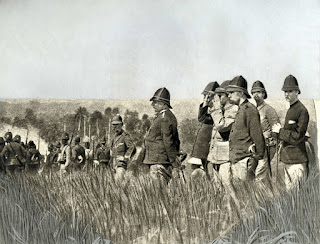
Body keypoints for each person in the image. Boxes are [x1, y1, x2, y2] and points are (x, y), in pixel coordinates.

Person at [272, 75, 309, 190]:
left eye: (290, 91)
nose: (286, 94)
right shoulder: (291, 109)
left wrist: (280, 131)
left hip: (297, 161)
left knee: (297, 196)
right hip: (288, 160)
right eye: (285, 91)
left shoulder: (302, 110)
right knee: (290, 196)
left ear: (297, 92)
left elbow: (298, 137)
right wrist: (278, 132)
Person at [226, 76, 265, 182]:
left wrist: (257, 159)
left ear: (241, 92)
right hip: (238, 161)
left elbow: (257, 137)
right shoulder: (242, 109)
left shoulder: (249, 109)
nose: (228, 95)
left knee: (246, 195)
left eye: (232, 92)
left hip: (245, 161)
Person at [143, 87, 180, 184]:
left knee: (158, 193)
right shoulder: (163, 116)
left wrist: (173, 162)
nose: (152, 105)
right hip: (158, 161)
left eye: (155, 102)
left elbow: (168, 141)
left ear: (163, 104)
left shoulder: (164, 118)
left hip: (159, 162)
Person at [207, 80, 238, 184]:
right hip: (217, 155)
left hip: (226, 156)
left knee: (226, 184)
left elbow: (222, 126)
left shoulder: (234, 109)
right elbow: (203, 118)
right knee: (217, 186)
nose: (218, 98)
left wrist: (215, 109)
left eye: (220, 95)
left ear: (228, 96)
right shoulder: (222, 109)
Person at [251, 81, 280, 187]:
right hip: (257, 146)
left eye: (258, 92)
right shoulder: (253, 110)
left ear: (263, 94)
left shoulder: (269, 109)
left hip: (269, 146)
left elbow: (276, 129)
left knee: (262, 175)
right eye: (254, 92)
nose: (256, 94)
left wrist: (272, 141)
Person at [188, 81, 219, 179]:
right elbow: (201, 118)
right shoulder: (209, 110)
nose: (206, 98)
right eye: (205, 96)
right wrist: (205, 104)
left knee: (212, 172)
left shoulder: (218, 110)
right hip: (202, 147)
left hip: (212, 146)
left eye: (209, 96)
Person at [110, 114, 135, 181]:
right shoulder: (114, 137)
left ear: (121, 125)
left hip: (121, 165)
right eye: (113, 125)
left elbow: (132, 147)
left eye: (117, 125)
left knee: (119, 184)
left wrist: (125, 158)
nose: (115, 127)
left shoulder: (125, 136)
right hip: (114, 165)